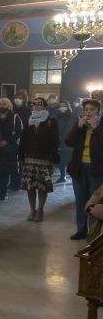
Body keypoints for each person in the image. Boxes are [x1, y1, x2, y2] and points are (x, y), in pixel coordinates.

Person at [66, 99, 103, 240]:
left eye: (91, 110)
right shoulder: (80, 125)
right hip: (79, 168)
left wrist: (95, 129)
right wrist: (78, 127)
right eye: (86, 109)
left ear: (98, 112)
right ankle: (81, 230)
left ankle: (93, 232)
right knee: (80, 200)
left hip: (97, 170)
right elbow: (68, 142)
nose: (88, 112)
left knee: (93, 202)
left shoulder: (100, 125)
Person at [18, 97, 59, 222]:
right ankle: (32, 210)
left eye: (39, 104)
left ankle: (40, 210)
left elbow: (55, 140)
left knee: (42, 186)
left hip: (44, 158)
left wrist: (53, 156)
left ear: (45, 106)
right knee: (30, 186)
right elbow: (23, 139)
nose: (36, 106)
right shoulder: (29, 121)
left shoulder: (51, 121)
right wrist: (21, 156)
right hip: (29, 157)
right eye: (34, 104)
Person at [0, 98, 23, 201]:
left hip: (10, 149)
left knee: (7, 171)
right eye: (0, 104)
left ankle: (7, 190)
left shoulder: (15, 117)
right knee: (0, 171)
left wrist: (7, 141)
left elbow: (19, 132)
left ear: (9, 106)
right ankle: (1, 191)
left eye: (4, 104)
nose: (2, 106)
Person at [10, 90, 31, 192]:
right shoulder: (12, 109)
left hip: (22, 139)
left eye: (20, 98)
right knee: (13, 162)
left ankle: (20, 183)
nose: (17, 100)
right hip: (12, 139)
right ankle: (14, 182)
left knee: (21, 162)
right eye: (16, 98)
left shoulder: (27, 111)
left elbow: (27, 126)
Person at [55, 100, 74, 183]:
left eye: (64, 105)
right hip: (59, 142)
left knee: (69, 161)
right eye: (61, 106)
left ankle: (71, 176)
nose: (62, 107)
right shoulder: (57, 115)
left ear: (68, 106)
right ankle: (63, 176)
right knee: (61, 162)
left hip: (68, 142)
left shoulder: (72, 116)